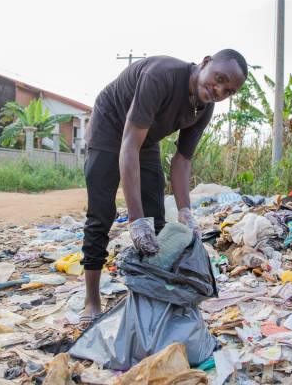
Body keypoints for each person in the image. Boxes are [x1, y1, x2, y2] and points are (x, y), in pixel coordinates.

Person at [80, 49, 247, 324]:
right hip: (110, 127)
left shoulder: (204, 108)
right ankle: (91, 301)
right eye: (218, 79)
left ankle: (150, 298)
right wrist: (135, 221)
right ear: (205, 63)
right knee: (101, 215)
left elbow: (182, 160)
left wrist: (185, 211)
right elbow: (128, 146)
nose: (218, 90)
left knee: (156, 220)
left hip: (144, 140)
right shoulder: (162, 76)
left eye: (227, 91)